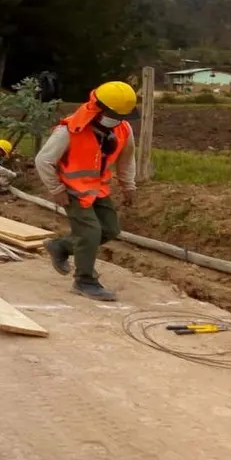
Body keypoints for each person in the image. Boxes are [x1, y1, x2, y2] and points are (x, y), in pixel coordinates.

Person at [35, 80, 138, 302]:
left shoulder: (123, 129)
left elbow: (127, 159)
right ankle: (84, 281)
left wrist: (128, 185)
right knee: (90, 232)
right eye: (114, 114)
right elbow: (43, 160)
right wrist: (56, 189)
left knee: (110, 229)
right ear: (97, 107)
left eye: (122, 115)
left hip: (97, 188)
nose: (119, 119)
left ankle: (60, 246)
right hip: (71, 189)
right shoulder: (69, 130)